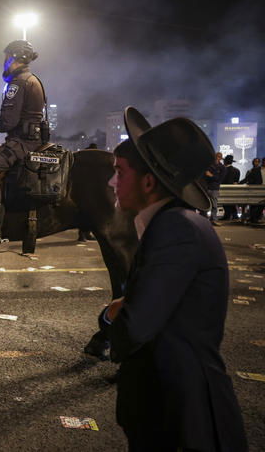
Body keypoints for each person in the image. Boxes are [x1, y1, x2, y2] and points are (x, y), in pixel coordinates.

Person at [99, 107, 247, 452]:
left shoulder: (176, 228)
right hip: (169, 411)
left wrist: (110, 316)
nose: (111, 183)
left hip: (184, 420)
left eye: (119, 172)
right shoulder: (171, 223)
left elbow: (133, 328)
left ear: (148, 182)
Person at [0, 40, 46, 241]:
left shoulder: (17, 83)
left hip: (22, 143)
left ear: (16, 59)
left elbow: (8, 122)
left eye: (7, 57)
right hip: (33, 139)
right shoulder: (34, 79)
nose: (4, 62)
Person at [204, 151, 225, 224]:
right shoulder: (209, 166)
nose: (217, 158)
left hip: (214, 188)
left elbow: (220, 179)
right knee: (204, 204)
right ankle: (204, 219)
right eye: (216, 156)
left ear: (221, 158)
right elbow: (205, 176)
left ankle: (214, 219)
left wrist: (211, 175)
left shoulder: (222, 167)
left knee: (214, 205)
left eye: (219, 157)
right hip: (206, 187)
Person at [240, 157, 263, 223]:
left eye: (257, 162)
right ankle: (253, 218)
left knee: (256, 205)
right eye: (255, 161)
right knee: (253, 205)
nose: (256, 163)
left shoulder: (257, 170)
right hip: (254, 190)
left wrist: (239, 183)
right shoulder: (252, 170)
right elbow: (247, 178)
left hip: (258, 190)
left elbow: (247, 179)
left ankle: (254, 218)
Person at [220, 155, 241, 220]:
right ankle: (234, 216)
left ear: (225, 161)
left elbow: (221, 180)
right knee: (232, 202)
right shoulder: (237, 170)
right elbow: (236, 181)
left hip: (224, 189)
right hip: (233, 189)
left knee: (225, 203)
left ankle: (228, 216)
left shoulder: (223, 170)